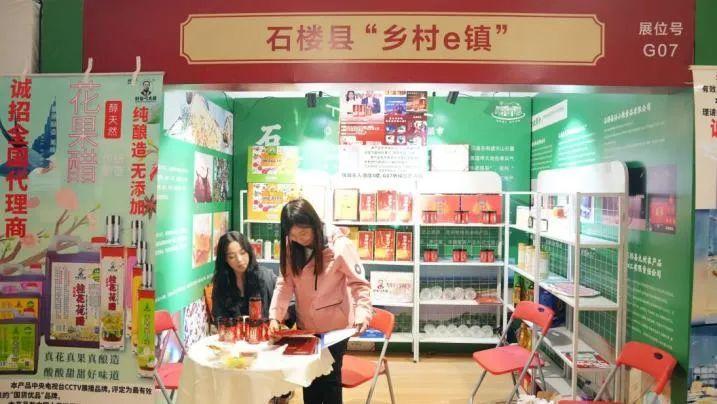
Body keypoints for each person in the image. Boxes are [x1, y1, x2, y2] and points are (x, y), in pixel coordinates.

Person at [269, 198, 372, 404]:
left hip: (335, 328)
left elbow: (360, 284)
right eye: (293, 235)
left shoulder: (339, 246)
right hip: (307, 326)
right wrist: (275, 316)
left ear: (314, 224)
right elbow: (285, 284)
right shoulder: (291, 246)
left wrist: (362, 313)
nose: (299, 240)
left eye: (304, 233)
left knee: (330, 381)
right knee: (310, 379)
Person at [212, 231, 294, 404]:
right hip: (236, 349)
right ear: (225, 260)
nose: (239, 260)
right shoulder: (221, 282)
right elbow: (218, 316)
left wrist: (278, 319)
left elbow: (289, 304)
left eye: (242, 253)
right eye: (231, 256)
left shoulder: (265, 276)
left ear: (249, 251)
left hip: (265, 345)